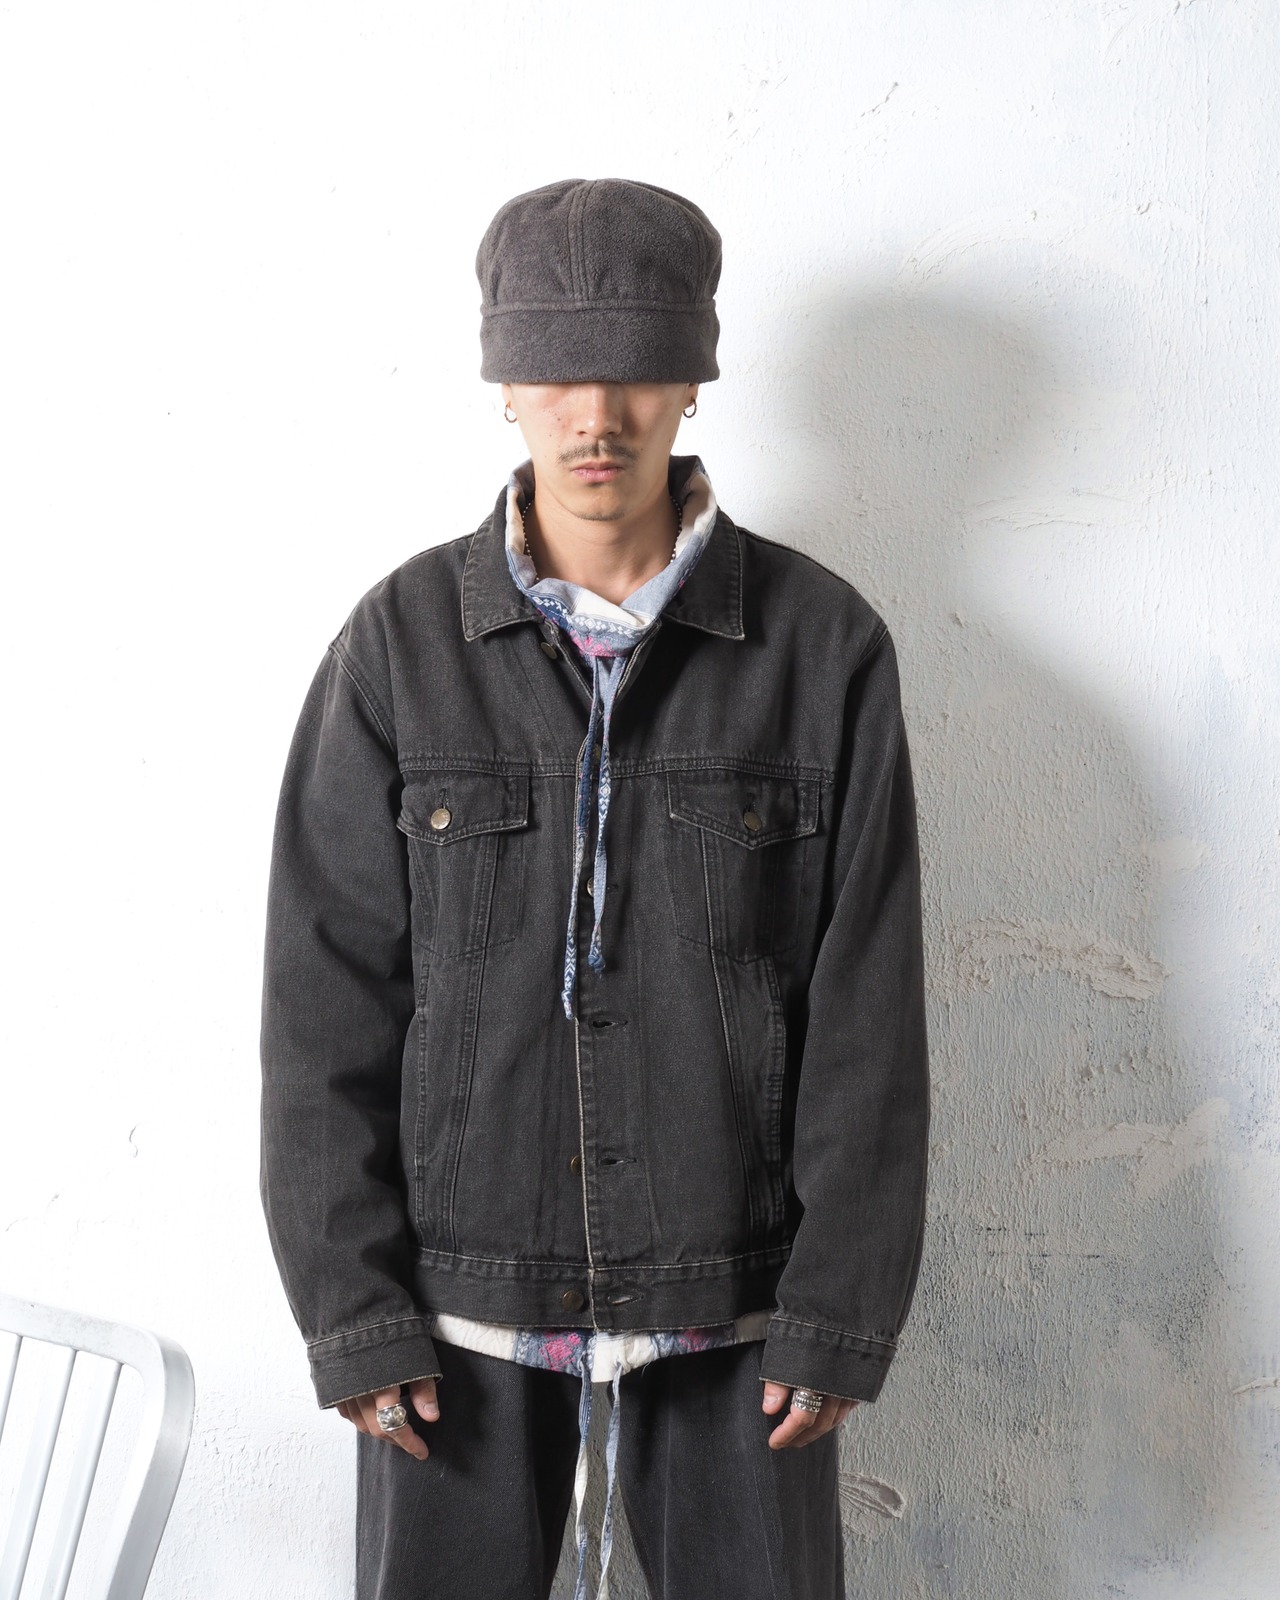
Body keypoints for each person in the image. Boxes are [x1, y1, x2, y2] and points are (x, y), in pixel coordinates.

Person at [259, 177, 930, 1600]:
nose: (596, 416)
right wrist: (352, 1307)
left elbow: (868, 1010)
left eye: (634, 370)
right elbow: (324, 1003)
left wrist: (838, 1308)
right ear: (503, 386)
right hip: (458, 1310)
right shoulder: (399, 648)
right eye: (557, 373)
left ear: (694, 381)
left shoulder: (823, 651)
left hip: (739, 1310)